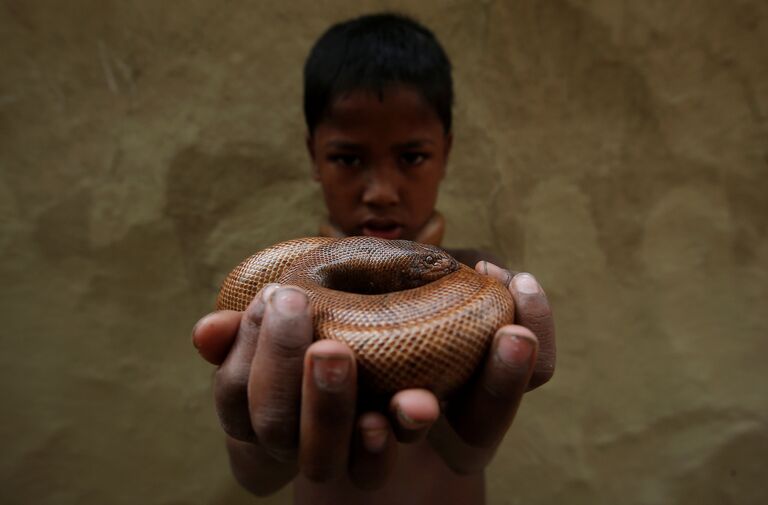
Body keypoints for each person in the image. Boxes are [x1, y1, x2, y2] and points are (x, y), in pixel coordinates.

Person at [191, 13, 556, 504]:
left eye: (411, 157)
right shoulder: (280, 297)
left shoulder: (477, 272)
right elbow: (256, 479)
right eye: (348, 157)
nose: (382, 192)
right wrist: (268, 446)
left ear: (445, 153)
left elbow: (469, 457)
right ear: (312, 155)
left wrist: (468, 432)